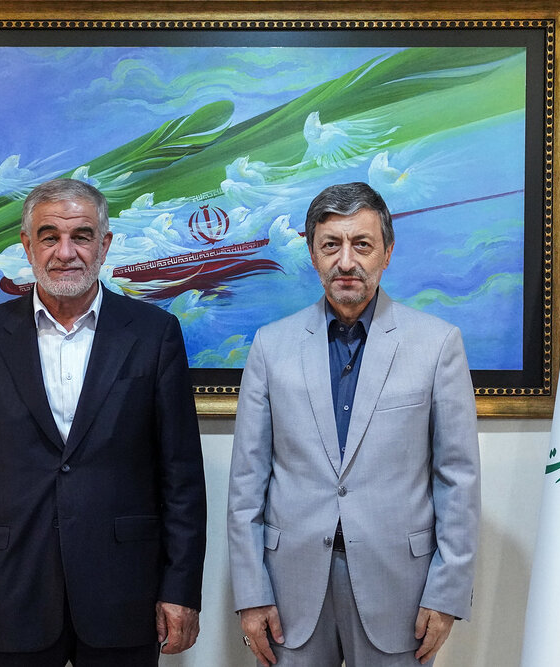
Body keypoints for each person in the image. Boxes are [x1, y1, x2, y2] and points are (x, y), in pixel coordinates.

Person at [0, 179, 207, 667]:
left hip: (125, 593)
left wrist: (181, 589)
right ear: (27, 245)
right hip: (8, 594)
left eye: (81, 236)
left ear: (105, 245)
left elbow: (181, 476)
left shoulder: (154, 333)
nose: (65, 252)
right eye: (49, 236)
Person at [227, 182, 480, 666]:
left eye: (361, 244)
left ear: (387, 252)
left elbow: (458, 479)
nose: (346, 261)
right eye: (331, 245)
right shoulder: (270, 346)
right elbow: (246, 483)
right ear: (312, 254)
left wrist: (447, 592)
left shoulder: (437, 344)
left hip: (400, 588)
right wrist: (251, 591)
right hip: (290, 585)